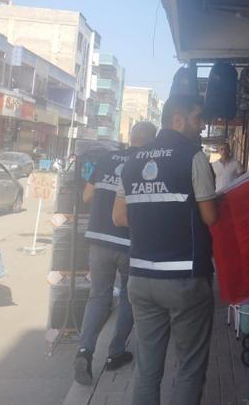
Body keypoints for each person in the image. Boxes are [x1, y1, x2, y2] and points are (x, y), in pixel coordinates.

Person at [112, 95, 218, 405]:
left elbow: (118, 217)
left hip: (141, 277)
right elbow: (210, 216)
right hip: (185, 278)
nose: (202, 127)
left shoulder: (132, 161)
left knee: (147, 368)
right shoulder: (193, 157)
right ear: (178, 119)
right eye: (198, 119)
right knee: (188, 367)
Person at [74, 121, 158, 385]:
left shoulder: (107, 158)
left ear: (131, 137)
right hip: (130, 243)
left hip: (98, 239)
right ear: (151, 141)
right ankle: (115, 353)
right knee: (128, 299)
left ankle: (85, 351)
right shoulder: (146, 163)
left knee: (97, 297)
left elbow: (87, 197)